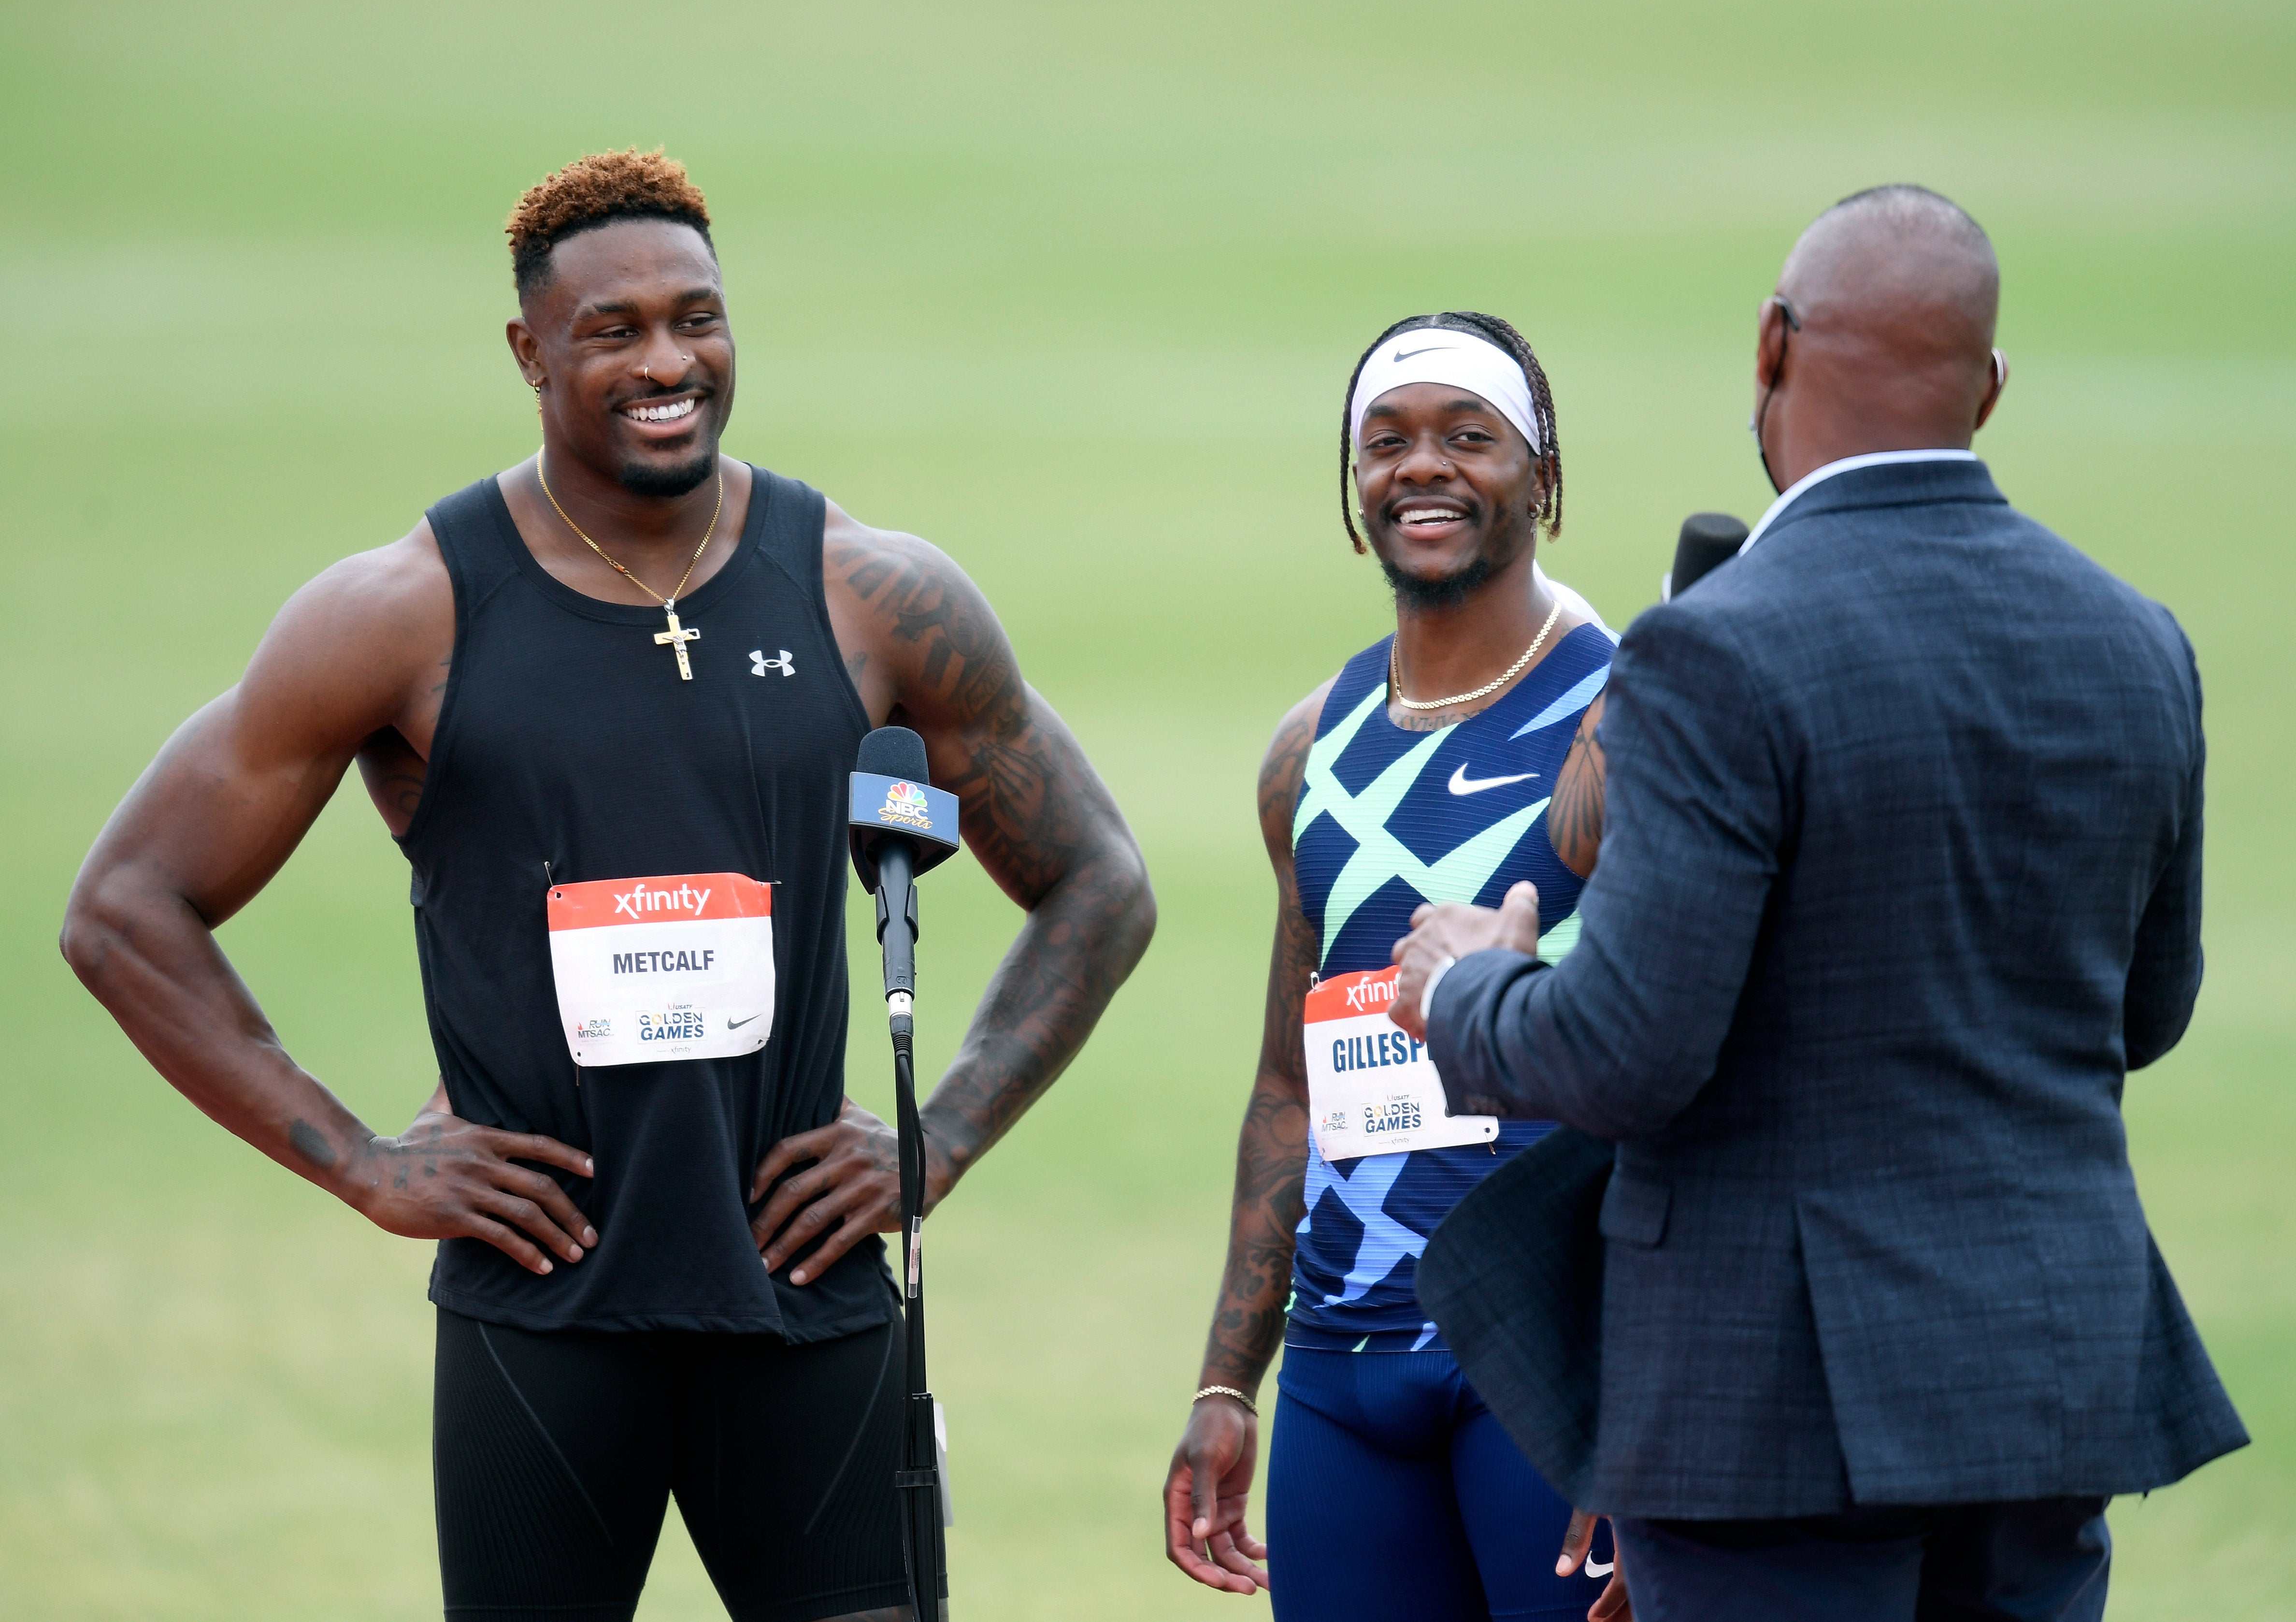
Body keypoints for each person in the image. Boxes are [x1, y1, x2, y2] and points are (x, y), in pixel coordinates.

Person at [60, 149, 1156, 1622]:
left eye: (697, 319)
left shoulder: (870, 593)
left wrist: (938, 1136)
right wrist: (363, 1163)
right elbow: (125, 906)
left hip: (807, 1289)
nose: (667, 363)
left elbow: (1098, 879)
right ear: (528, 351)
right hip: (544, 1311)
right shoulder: (405, 612)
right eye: (613, 329)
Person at [1389, 187, 2247, 1622]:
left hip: (1769, 1407)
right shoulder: (2135, 640)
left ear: (1772, 349)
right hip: (2045, 1375)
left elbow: (1627, 1050)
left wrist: (1471, 984)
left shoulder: (1717, 651)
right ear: (1988, 387)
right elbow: (2144, 1012)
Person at [1163, 311, 1628, 1620]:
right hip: (1341, 1368)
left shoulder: (1628, 723)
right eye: (1388, 441)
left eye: (1468, 436)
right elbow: (1288, 1084)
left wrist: (1659, 1418)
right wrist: (1221, 1383)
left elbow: (1694, 1072)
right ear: (1352, 488)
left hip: (1547, 1363)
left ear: (1541, 474)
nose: (1424, 466)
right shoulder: (1309, 747)